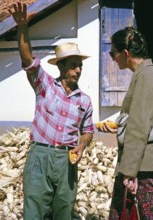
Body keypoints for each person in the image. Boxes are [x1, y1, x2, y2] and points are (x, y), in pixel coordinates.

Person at [8, 2, 94, 219]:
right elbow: (27, 58)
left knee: (64, 209)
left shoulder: (84, 100)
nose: (78, 70)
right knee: (35, 209)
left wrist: (82, 145)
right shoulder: (44, 86)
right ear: (61, 67)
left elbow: (88, 129)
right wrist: (22, 28)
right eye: (73, 65)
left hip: (67, 159)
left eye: (80, 65)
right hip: (40, 155)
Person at [97, 27, 153, 219]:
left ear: (126, 53)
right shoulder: (147, 75)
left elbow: (139, 127)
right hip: (145, 161)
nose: (112, 58)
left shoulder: (146, 77)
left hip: (145, 164)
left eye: (113, 53)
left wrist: (129, 172)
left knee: (146, 213)